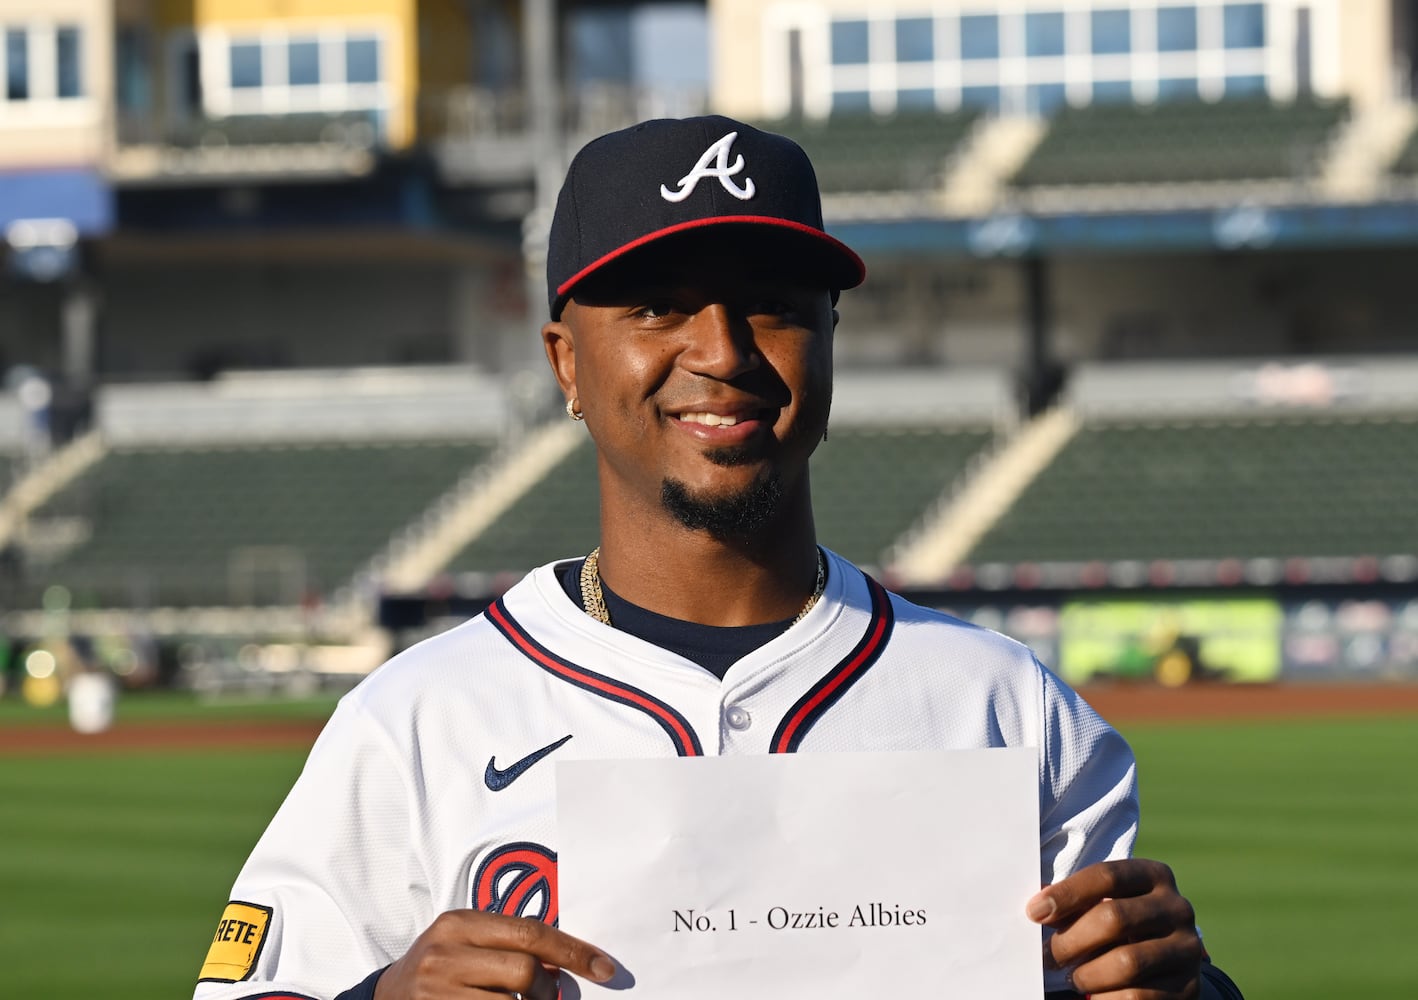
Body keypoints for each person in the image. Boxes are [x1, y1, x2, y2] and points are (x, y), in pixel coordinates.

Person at [194, 117, 1243, 1000]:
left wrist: (1185, 988)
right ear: (565, 359)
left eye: (774, 305)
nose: (723, 351)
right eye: (656, 305)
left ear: (829, 342)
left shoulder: (1006, 705)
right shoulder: (418, 719)